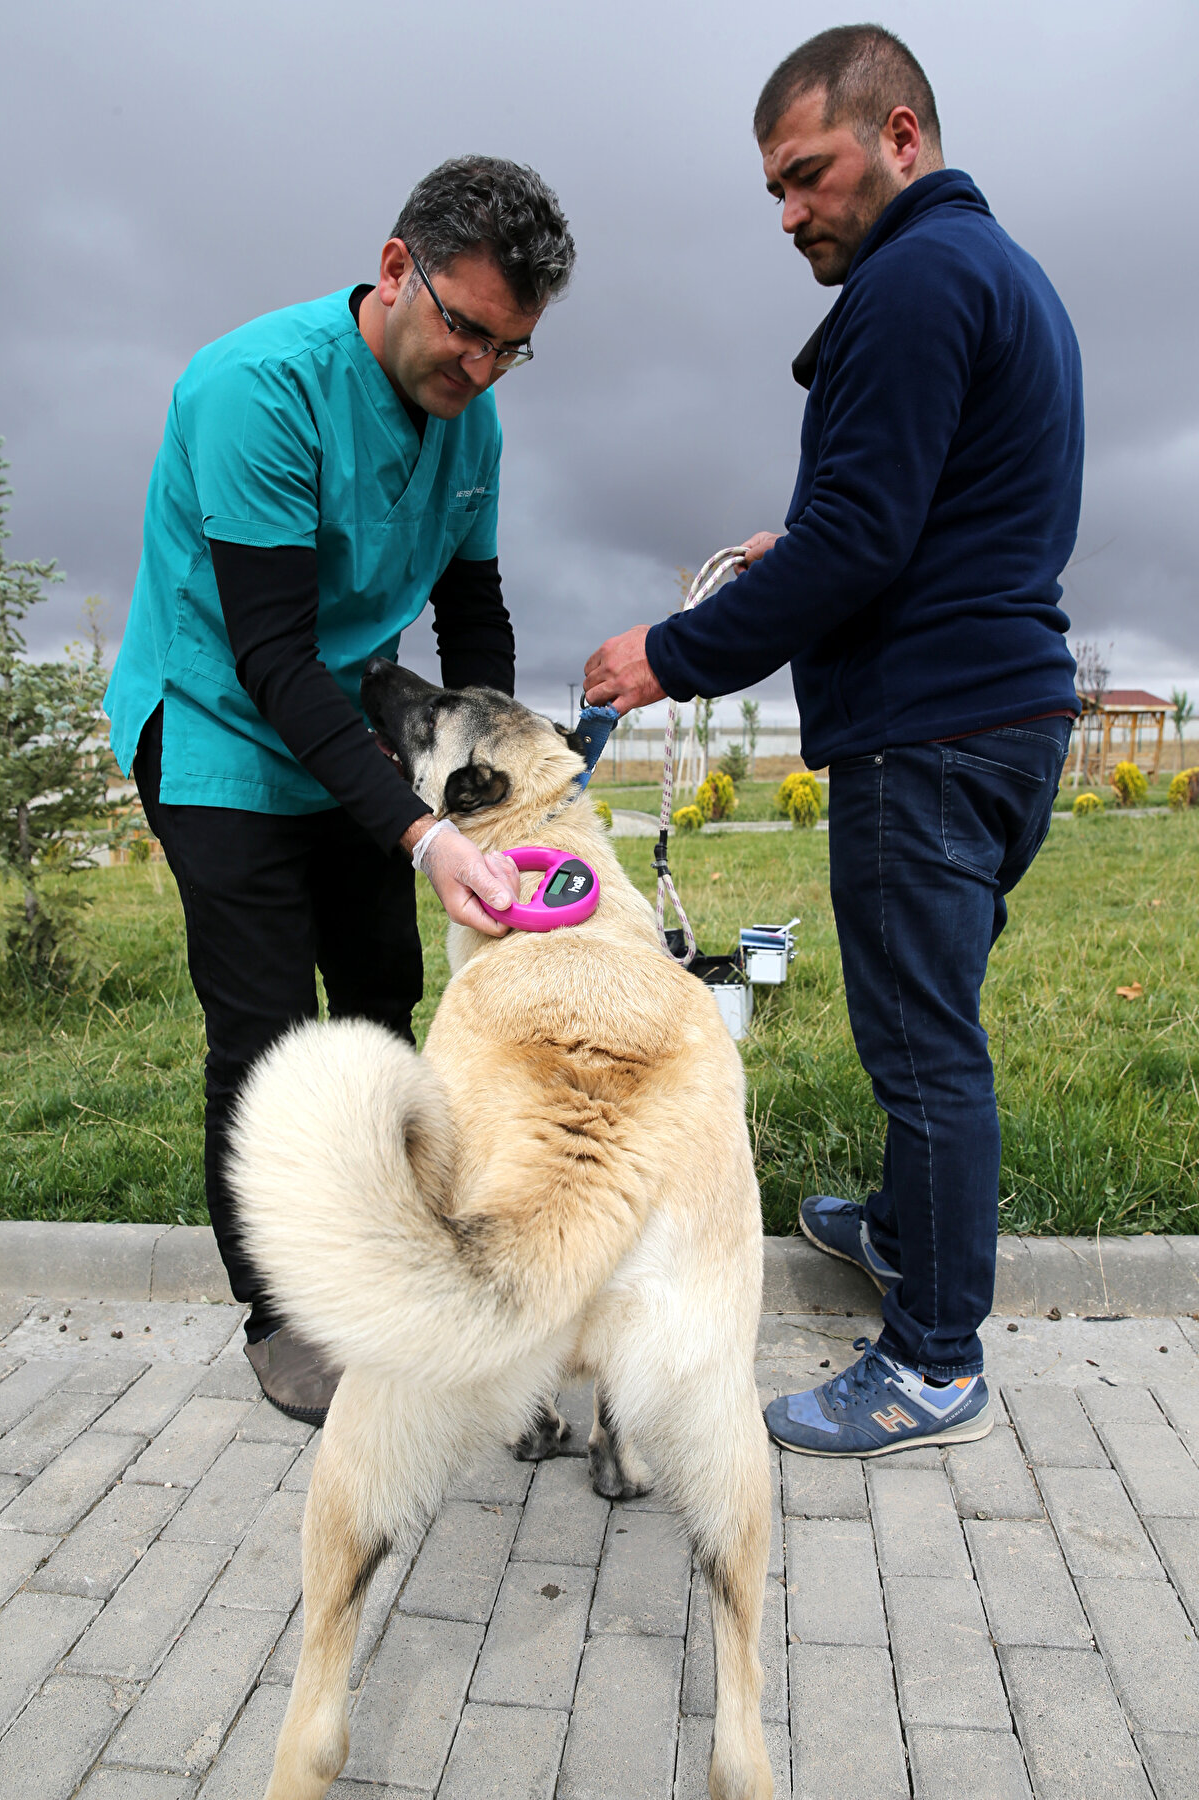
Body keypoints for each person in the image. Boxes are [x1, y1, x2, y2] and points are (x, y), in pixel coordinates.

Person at [583, 26, 1082, 1457]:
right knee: (929, 1028)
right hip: (1000, 719)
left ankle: (934, 1361)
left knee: (925, 1051)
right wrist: (789, 542)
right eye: (774, 192)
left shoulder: (911, 281)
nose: (791, 211)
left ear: (903, 137)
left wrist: (665, 658)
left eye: (810, 174)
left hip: (927, 734)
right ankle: (899, 1230)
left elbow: (867, 539)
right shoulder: (1002, 275)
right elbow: (922, 511)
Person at [105, 157, 576, 1422]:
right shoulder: (256, 390)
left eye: (509, 349)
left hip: (348, 729)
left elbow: (471, 607)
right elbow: (266, 654)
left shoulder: (472, 417)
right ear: (393, 270)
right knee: (266, 1036)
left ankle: (387, 1274)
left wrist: (488, 795)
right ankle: (285, 1315)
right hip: (215, 725)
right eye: (465, 329)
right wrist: (420, 831)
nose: (477, 370)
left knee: (378, 1002)